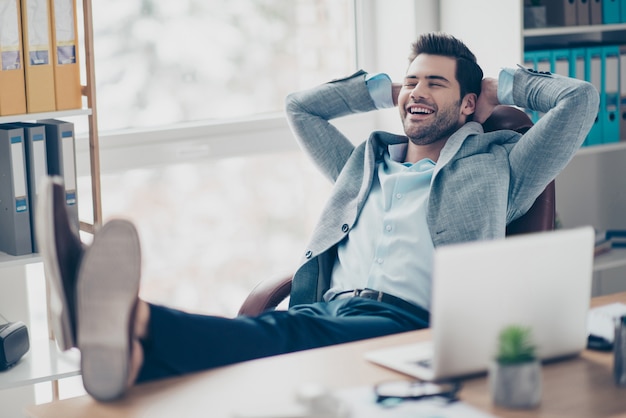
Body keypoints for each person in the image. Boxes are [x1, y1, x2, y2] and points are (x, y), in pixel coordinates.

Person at [40, 32, 599, 402]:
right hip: (331, 310)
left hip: (412, 327)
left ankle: (128, 321)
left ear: (469, 103)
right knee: (271, 341)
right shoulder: (363, 161)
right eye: (410, 81)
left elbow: (580, 99)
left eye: (435, 83)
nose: (415, 93)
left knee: (283, 330)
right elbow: (299, 107)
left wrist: (505, 86)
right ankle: (130, 355)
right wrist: (381, 88)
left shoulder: (500, 165)